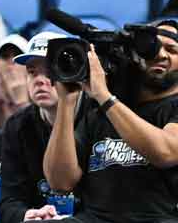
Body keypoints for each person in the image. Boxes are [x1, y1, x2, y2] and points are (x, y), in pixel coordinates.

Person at [43, 20, 178, 220]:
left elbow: (165, 152)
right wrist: (66, 102)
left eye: (172, 49)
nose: (160, 54)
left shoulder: (108, 103)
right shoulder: (102, 111)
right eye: (151, 48)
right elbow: (60, 183)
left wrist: (105, 97)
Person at [0, 33, 76, 222]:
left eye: (50, 71)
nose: (40, 80)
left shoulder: (96, 118)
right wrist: (25, 215)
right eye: (32, 72)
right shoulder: (17, 125)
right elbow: (9, 202)